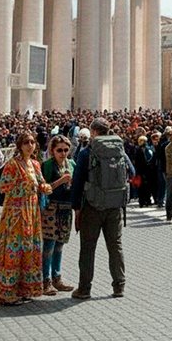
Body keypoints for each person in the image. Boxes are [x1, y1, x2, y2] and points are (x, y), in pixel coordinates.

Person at [0, 132, 52, 306]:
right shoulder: (13, 164)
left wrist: (45, 187)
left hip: (31, 212)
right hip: (15, 214)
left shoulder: (35, 164)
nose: (30, 145)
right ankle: (7, 292)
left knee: (28, 250)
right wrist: (25, 187)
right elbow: (3, 186)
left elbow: (41, 183)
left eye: (32, 142)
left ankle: (23, 289)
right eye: (26, 142)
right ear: (19, 146)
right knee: (13, 250)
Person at [70, 117, 132, 300]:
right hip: (114, 206)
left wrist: (76, 208)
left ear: (94, 132)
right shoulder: (119, 148)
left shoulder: (87, 152)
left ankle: (84, 289)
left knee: (88, 248)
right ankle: (119, 286)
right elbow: (132, 171)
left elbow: (78, 182)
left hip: (92, 205)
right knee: (115, 246)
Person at [40, 135, 75, 295]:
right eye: (59, 150)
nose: (63, 153)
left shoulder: (71, 164)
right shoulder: (47, 166)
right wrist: (60, 181)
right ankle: (45, 280)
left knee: (60, 245)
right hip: (51, 208)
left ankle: (57, 278)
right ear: (52, 150)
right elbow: (43, 187)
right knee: (49, 245)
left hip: (66, 208)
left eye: (66, 150)